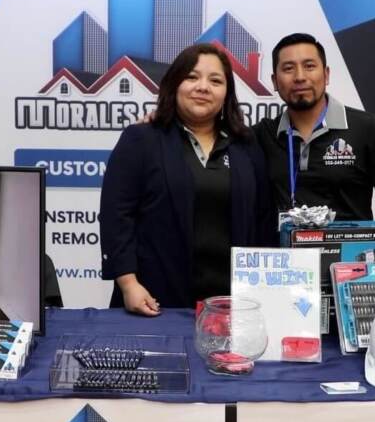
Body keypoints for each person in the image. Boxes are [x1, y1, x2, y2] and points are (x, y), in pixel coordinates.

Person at [99, 43, 276, 316]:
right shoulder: (142, 139)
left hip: (233, 304)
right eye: (191, 77)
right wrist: (128, 283)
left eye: (215, 81)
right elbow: (116, 216)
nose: (203, 87)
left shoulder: (247, 146)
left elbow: (263, 219)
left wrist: (265, 292)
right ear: (174, 84)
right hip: (154, 299)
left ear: (226, 93)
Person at [253, 33, 375, 221]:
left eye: (309, 66)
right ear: (275, 81)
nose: (300, 77)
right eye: (288, 69)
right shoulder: (262, 135)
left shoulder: (368, 129)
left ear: (326, 74)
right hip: (284, 249)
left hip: (348, 250)